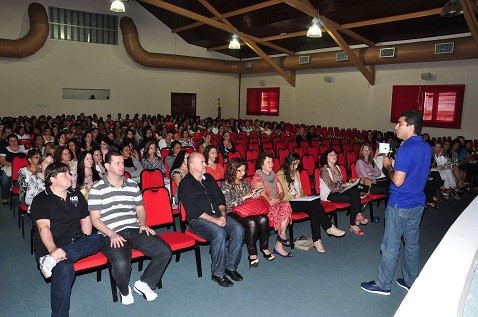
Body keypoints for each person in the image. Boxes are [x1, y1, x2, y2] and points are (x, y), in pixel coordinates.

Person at [361, 110, 432, 295]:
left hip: (400, 204)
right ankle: (410, 280)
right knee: (412, 244)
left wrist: (388, 166)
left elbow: (398, 181)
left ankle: (383, 284)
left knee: (390, 245)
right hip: (418, 203)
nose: (396, 127)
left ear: (410, 126)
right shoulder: (426, 147)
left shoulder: (406, 148)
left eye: (400, 123)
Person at [89, 151, 172, 305]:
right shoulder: (97, 188)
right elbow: (95, 219)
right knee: (121, 264)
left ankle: (144, 283)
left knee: (164, 251)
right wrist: (111, 234)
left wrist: (143, 224)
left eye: (122, 162)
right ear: (106, 166)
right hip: (110, 232)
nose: (122, 166)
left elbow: (140, 209)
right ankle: (125, 290)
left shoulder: (132, 184)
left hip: (134, 228)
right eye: (117, 163)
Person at [30, 162, 104, 317]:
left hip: (75, 243)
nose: (70, 176)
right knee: (64, 268)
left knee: (99, 239)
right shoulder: (41, 200)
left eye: (69, 173)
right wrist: (53, 250)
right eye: (65, 174)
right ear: (52, 179)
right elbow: (43, 228)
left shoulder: (76, 194)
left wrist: (84, 241)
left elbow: (85, 219)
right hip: (50, 246)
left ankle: (53, 260)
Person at [178, 152, 244, 287]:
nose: (205, 164)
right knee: (219, 233)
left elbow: (220, 198)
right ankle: (218, 273)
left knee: (238, 229)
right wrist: (215, 221)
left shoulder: (208, 178)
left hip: (217, 216)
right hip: (198, 221)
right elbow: (193, 210)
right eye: (202, 162)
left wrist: (223, 214)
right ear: (192, 165)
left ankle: (230, 266)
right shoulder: (185, 184)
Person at [278, 152, 345, 253]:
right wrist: (293, 196)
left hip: (299, 201)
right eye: (294, 164)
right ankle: (329, 227)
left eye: (297, 164)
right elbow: (281, 194)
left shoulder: (296, 173)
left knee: (314, 210)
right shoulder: (280, 174)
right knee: (315, 204)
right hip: (287, 203)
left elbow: (300, 190)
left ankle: (316, 240)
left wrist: (304, 196)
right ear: (288, 163)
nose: (296, 167)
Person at [221, 158, 275, 267]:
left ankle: (264, 247)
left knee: (264, 218)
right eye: (239, 171)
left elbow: (249, 199)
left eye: (244, 170)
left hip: (246, 210)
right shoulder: (225, 185)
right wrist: (244, 197)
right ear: (232, 170)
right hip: (232, 212)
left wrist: (253, 195)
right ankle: (252, 253)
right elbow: (227, 205)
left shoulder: (245, 182)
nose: (243, 173)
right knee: (252, 222)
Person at [252, 152, 293, 258]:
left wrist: (277, 199)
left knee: (286, 205)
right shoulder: (258, 177)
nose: (271, 164)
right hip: (265, 205)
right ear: (262, 164)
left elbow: (281, 192)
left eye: (272, 162)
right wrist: (272, 201)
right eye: (268, 162)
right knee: (280, 211)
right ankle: (279, 245)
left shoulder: (274, 176)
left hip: (275, 202)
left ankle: (281, 236)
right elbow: (262, 194)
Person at [320, 149, 367, 235]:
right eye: (331, 155)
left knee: (354, 189)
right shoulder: (324, 170)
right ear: (326, 157)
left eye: (335, 155)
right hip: (330, 194)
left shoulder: (337, 167)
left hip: (340, 190)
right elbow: (331, 186)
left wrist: (348, 184)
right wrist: (344, 185)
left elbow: (340, 182)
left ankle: (358, 214)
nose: (335, 156)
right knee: (353, 197)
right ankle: (353, 223)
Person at [0, 134, 27, 204]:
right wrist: (15, 164)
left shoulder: (23, 148)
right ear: (8, 142)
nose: (13, 143)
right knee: (5, 179)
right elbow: (2, 161)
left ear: (17, 141)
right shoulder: (5, 149)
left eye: (15, 141)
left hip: (23, 168)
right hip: (8, 167)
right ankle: (5, 197)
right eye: (11, 141)